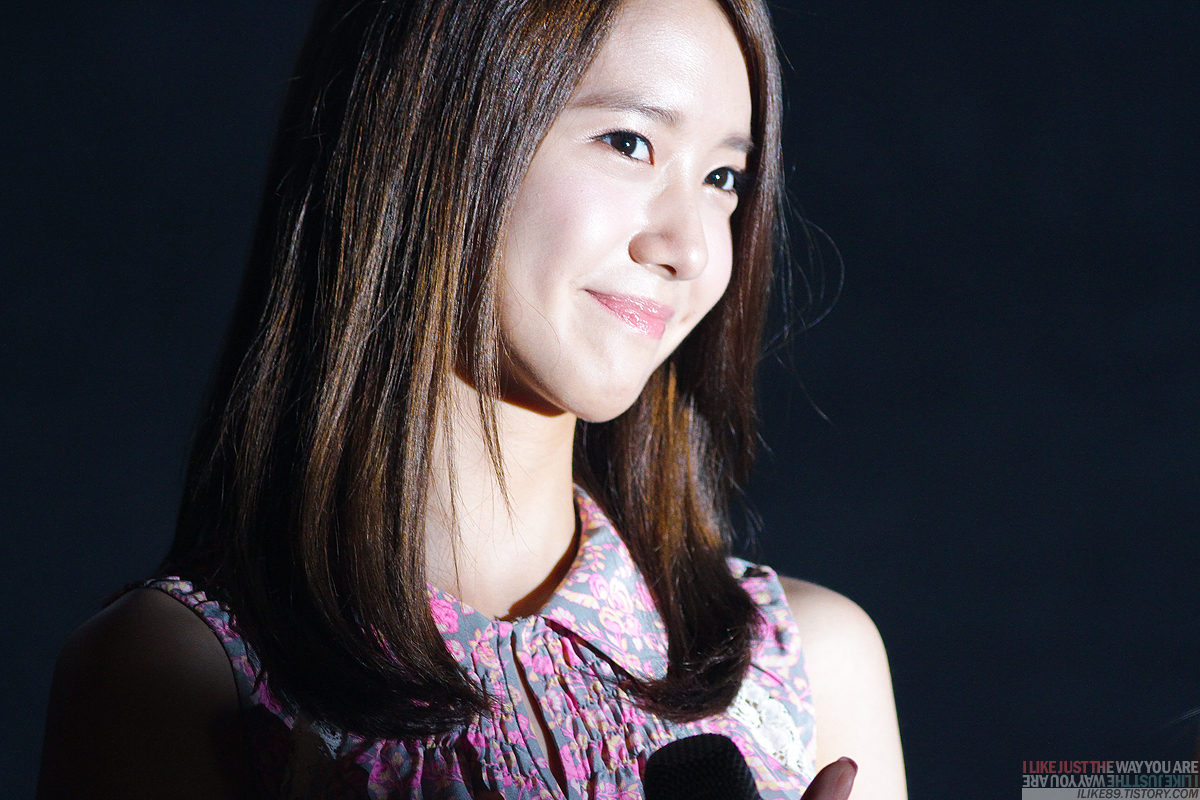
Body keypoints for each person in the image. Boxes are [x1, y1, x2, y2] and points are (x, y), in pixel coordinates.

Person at [36, 0, 906, 797]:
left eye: (724, 178)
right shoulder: (179, 678)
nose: (692, 249)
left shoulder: (809, 669)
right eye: (629, 142)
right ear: (425, 129)